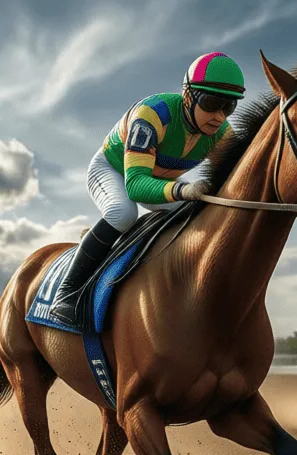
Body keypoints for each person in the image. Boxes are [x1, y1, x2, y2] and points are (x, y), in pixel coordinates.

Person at [48, 52, 246, 328]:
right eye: (211, 102)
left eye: (229, 107)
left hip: (156, 179)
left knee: (205, 213)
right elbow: (137, 187)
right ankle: (66, 293)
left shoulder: (222, 134)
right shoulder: (154, 114)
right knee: (122, 213)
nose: (218, 116)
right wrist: (184, 191)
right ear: (188, 96)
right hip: (114, 171)